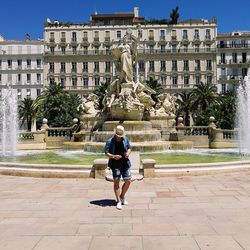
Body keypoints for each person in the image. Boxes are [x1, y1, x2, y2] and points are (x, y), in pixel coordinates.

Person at [104, 125, 132, 210]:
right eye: (118, 136)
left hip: (125, 163)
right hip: (115, 164)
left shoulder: (125, 139)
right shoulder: (109, 141)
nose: (119, 137)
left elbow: (129, 148)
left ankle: (122, 196)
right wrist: (113, 156)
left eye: (121, 136)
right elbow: (106, 153)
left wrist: (128, 153)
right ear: (115, 134)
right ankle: (118, 201)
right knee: (116, 182)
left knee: (128, 181)